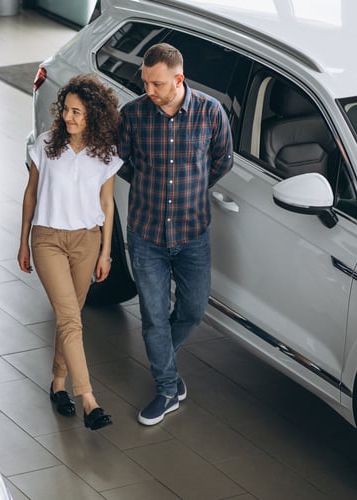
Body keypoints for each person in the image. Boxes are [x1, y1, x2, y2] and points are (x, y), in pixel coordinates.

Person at [118, 42, 233, 425]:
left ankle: (163, 358)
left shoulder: (210, 113)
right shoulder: (132, 115)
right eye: (145, 81)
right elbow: (124, 163)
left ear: (178, 78)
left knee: (193, 309)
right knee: (153, 317)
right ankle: (167, 389)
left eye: (157, 83)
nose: (148, 90)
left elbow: (223, 159)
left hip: (192, 232)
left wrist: (194, 189)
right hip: (146, 233)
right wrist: (153, 186)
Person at [18, 74, 121, 430]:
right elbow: (31, 194)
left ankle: (58, 383)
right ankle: (88, 399)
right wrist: (23, 242)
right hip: (47, 239)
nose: (69, 117)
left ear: (94, 115)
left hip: (86, 242)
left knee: (70, 317)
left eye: (77, 112)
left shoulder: (105, 154)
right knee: (70, 318)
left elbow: (107, 205)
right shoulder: (47, 145)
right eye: (66, 110)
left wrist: (106, 252)